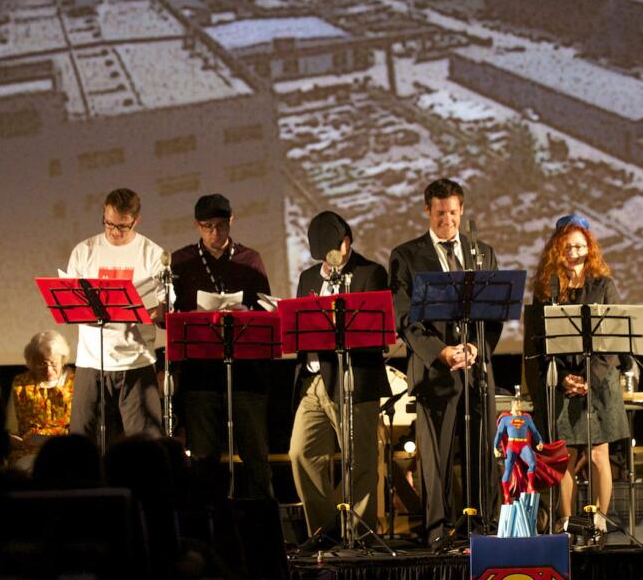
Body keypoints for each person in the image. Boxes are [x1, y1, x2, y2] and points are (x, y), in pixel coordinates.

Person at [389, 178, 501, 552]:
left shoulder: (482, 253)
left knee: (481, 450)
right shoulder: (406, 256)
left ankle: (482, 527)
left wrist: (474, 348)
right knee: (435, 460)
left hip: (474, 370)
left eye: (453, 212)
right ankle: (438, 531)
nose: (447, 220)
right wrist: (441, 351)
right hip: (435, 374)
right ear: (427, 211)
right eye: (440, 213)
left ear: (462, 210)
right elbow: (406, 318)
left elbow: (494, 314)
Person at [288, 211, 391, 545]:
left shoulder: (370, 273)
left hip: (354, 379)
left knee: (359, 460)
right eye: (333, 248)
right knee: (301, 452)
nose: (341, 253)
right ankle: (325, 529)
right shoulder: (307, 278)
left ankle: (360, 532)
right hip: (314, 381)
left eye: (344, 244)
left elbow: (374, 331)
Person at [529, 215, 631, 532]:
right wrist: (563, 379)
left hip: (599, 380)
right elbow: (539, 342)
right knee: (566, 455)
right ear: (557, 249)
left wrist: (589, 378)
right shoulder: (547, 289)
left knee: (600, 453)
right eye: (569, 247)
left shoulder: (603, 285)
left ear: (590, 249)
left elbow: (614, 340)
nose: (575, 252)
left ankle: (600, 518)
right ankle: (566, 519)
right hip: (564, 382)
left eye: (581, 246)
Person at [170, 193, 273, 499]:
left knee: (256, 457)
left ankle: (264, 531)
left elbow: (266, 310)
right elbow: (171, 317)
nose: (215, 233)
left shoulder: (250, 259)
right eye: (207, 226)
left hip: (246, 373)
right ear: (197, 226)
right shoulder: (182, 261)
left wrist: (247, 315)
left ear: (232, 221)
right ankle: (208, 531)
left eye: (220, 225)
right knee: (203, 460)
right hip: (200, 373)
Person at [65, 188, 166, 444]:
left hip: (136, 361)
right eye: (108, 223)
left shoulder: (152, 254)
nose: (113, 232)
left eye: (122, 227)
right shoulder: (84, 251)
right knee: (83, 442)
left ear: (136, 220)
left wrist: (157, 312)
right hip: (91, 361)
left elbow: (165, 309)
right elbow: (71, 303)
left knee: (146, 445)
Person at [5, 330, 75, 473]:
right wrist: (16, 440)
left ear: (62, 360)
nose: (48, 370)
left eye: (53, 363)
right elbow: (11, 427)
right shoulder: (21, 383)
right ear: (31, 362)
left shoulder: (76, 382)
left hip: (66, 448)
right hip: (30, 451)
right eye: (42, 364)